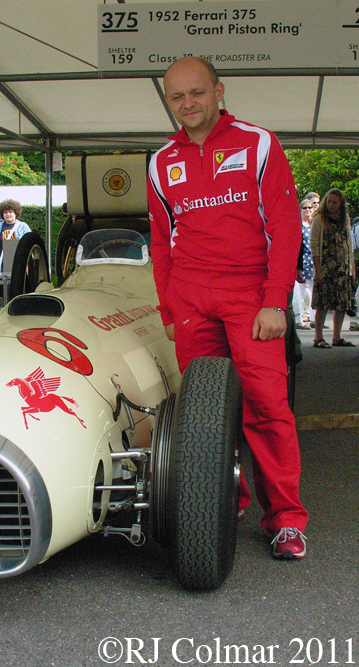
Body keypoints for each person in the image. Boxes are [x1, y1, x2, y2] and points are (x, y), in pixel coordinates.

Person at [147, 56, 308, 559]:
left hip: (249, 295)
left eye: (196, 93)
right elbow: (161, 244)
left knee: (266, 407)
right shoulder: (159, 162)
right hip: (193, 299)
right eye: (177, 97)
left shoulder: (259, 144)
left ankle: (285, 518)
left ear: (219, 91)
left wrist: (275, 301)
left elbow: (286, 229)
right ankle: (224, 498)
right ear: (168, 101)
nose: (187, 104)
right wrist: (171, 311)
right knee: (205, 410)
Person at [310, 188, 356, 348]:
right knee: (323, 303)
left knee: (341, 304)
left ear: (341, 204)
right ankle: (318, 337)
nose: (331, 205)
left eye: (335, 202)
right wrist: (318, 271)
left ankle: (337, 337)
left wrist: (352, 268)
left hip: (342, 267)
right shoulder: (319, 219)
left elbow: (349, 243)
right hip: (325, 267)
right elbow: (314, 245)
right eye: (329, 201)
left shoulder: (345, 218)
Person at [294, 199, 315, 328]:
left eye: (310, 207)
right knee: (300, 292)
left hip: (313, 260)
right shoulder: (298, 225)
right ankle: (298, 318)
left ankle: (314, 319)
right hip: (302, 260)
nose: (308, 209)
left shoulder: (314, 225)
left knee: (313, 291)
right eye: (305, 207)